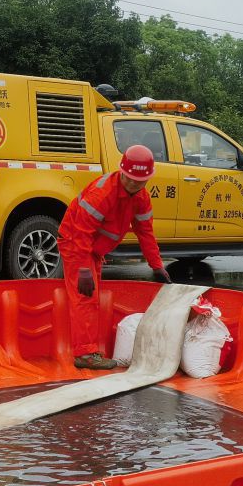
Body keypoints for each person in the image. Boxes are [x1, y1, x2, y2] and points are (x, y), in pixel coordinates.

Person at [58, 144, 172, 370]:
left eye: (140, 181)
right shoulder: (102, 194)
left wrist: (157, 265)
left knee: (91, 297)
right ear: (122, 171)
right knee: (85, 297)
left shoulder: (141, 197)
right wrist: (83, 270)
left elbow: (145, 232)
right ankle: (85, 354)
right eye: (130, 178)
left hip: (94, 249)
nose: (134, 184)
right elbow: (80, 233)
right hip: (76, 244)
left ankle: (88, 349)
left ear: (147, 179)